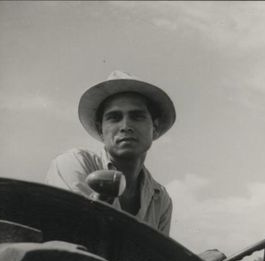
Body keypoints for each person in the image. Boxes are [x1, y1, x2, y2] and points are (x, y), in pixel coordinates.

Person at [46, 70, 175, 236]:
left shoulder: (160, 198)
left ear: (155, 128)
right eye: (114, 117)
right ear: (101, 130)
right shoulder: (73, 164)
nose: (125, 126)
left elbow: (157, 258)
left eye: (137, 116)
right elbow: (74, 235)